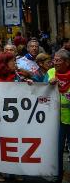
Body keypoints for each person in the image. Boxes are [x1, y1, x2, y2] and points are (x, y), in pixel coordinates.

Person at [48, 49, 70, 183]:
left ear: (67, 62)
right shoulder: (50, 73)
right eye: (54, 60)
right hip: (56, 120)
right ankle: (58, 174)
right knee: (58, 149)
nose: (55, 63)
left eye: (58, 60)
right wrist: (48, 85)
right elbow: (40, 90)